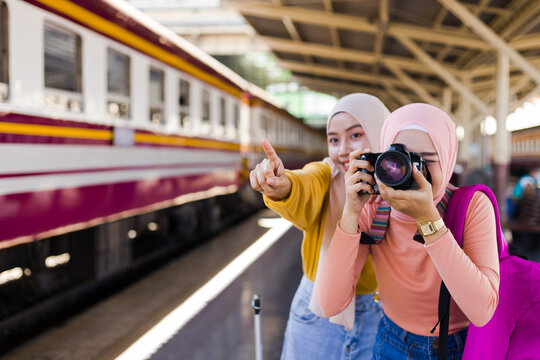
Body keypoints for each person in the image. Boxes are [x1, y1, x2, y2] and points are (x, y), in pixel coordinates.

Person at [316, 103, 500, 359]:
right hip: (392, 340)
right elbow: (329, 303)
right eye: (398, 159)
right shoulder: (374, 207)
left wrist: (427, 218)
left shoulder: (472, 207)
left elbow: (483, 312)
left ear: (447, 159)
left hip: (458, 346)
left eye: (426, 160)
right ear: (380, 160)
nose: (410, 172)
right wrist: (351, 211)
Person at [249, 93, 390, 360]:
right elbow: (304, 183)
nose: (342, 150)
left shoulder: (399, 185)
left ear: (382, 131)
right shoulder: (325, 175)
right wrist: (283, 186)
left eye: (355, 135)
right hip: (317, 314)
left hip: (382, 315)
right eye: (333, 140)